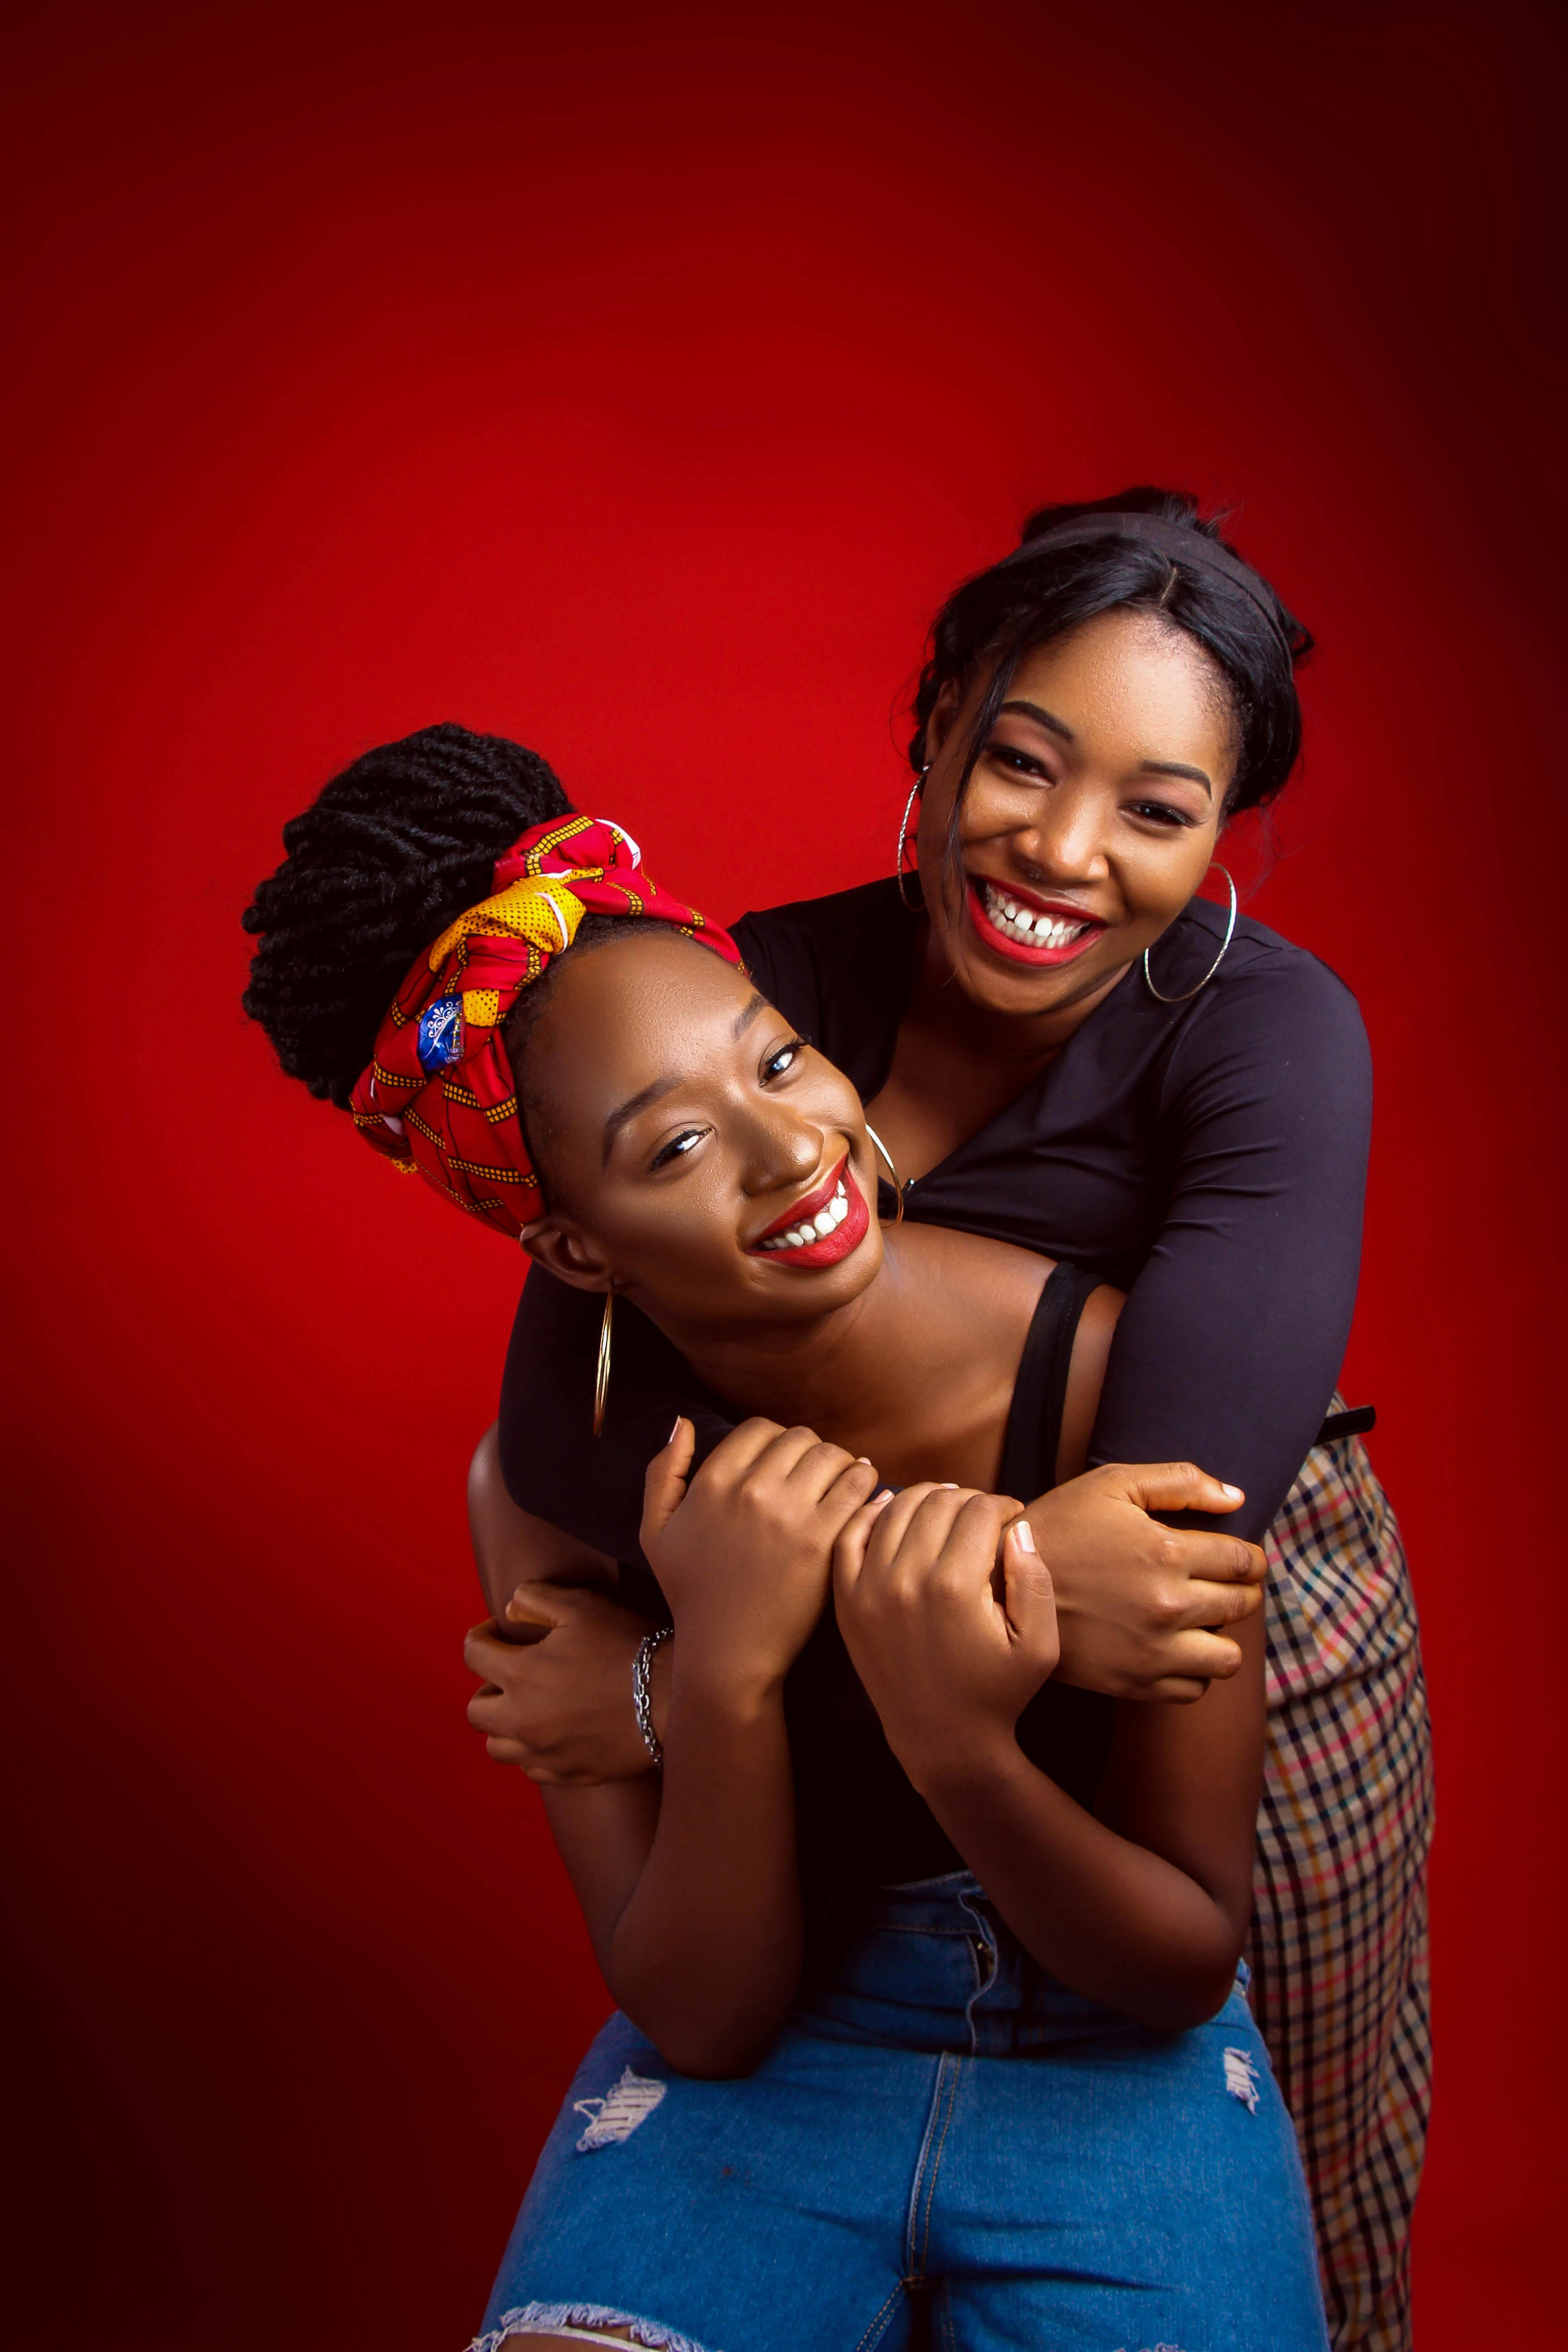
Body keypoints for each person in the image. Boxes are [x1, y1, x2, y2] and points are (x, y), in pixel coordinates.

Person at [468, 494, 1431, 2352]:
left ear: (1221, 838)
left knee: (1299, 2218)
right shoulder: (766, 988)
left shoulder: (1269, 1037)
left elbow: (1175, 1513)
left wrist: (670, 1678)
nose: (1065, 852)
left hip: (1253, 1646)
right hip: (841, 1672)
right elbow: (572, 1453)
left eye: (1158, 809)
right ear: (935, 734)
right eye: (1023, 762)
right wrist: (918, 1588)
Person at [243, 780, 1328, 2352]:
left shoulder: (1117, 1379)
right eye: (677, 1144)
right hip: (783, 2057)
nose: (790, 1149)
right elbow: (703, 2013)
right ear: (576, 1249)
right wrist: (731, 1677)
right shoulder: (549, 1489)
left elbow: (1175, 1957)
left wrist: (948, 1732)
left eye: (776, 1057)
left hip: (1108, 2058)